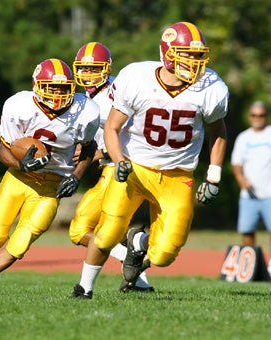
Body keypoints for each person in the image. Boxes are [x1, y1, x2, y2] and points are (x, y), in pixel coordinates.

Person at [71, 21, 229, 299]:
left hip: (177, 175)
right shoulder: (137, 78)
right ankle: (85, 288)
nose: (195, 61)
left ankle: (139, 241)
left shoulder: (210, 88)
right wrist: (119, 160)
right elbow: (112, 128)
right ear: (168, 54)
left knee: (165, 253)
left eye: (197, 55)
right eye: (187, 54)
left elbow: (218, 132)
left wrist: (214, 174)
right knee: (106, 233)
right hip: (135, 167)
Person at [0, 58, 100, 299]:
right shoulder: (19, 106)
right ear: (37, 85)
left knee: (20, 243)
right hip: (19, 178)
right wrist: (21, 163)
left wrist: (76, 175)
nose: (58, 94)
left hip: (51, 186)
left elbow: (89, 148)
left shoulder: (85, 112)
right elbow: (2, 149)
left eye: (63, 88)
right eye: (52, 87)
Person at [70, 41, 153, 292]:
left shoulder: (116, 92)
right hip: (111, 169)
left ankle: (129, 261)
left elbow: (133, 133)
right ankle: (139, 280)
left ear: (106, 68)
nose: (88, 75)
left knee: (80, 230)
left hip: (119, 167)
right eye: (83, 69)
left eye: (94, 69)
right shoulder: (86, 96)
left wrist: (98, 153)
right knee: (92, 231)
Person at [231, 100, 271, 279]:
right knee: (247, 229)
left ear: (266, 116)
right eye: (254, 115)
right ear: (249, 116)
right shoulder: (243, 137)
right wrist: (241, 179)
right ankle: (251, 264)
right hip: (249, 194)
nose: (257, 118)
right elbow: (236, 164)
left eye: (261, 115)